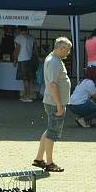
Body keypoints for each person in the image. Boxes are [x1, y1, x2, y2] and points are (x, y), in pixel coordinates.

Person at [33, 37, 72, 173]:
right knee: (52, 133)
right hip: (54, 103)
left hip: (53, 102)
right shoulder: (55, 62)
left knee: (50, 129)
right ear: (60, 48)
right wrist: (59, 105)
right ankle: (49, 163)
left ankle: (39, 159)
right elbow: (52, 84)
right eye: (67, 49)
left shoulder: (53, 58)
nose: (68, 53)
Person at [13, 26, 38, 102]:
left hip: (22, 59)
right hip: (30, 59)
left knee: (25, 78)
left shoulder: (19, 37)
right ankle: (27, 95)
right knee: (29, 78)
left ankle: (27, 96)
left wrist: (15, 59)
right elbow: (36, 49)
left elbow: (17, 49)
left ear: (19, 29)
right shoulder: (31, 37)